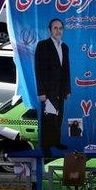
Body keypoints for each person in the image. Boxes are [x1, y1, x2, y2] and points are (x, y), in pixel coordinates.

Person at [35, 18, 70, 157]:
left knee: (58, 118)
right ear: (50, 30)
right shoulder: (43, 45)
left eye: (60, 28)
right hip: (48, 91)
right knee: (49, 118)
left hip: (60, 90)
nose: (58, 30)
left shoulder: (65, 47)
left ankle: (56, 142)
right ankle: (46, 147)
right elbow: (39, 70)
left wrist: (68, 89)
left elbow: (66, 69)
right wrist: (41, 91)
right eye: (55, 28)